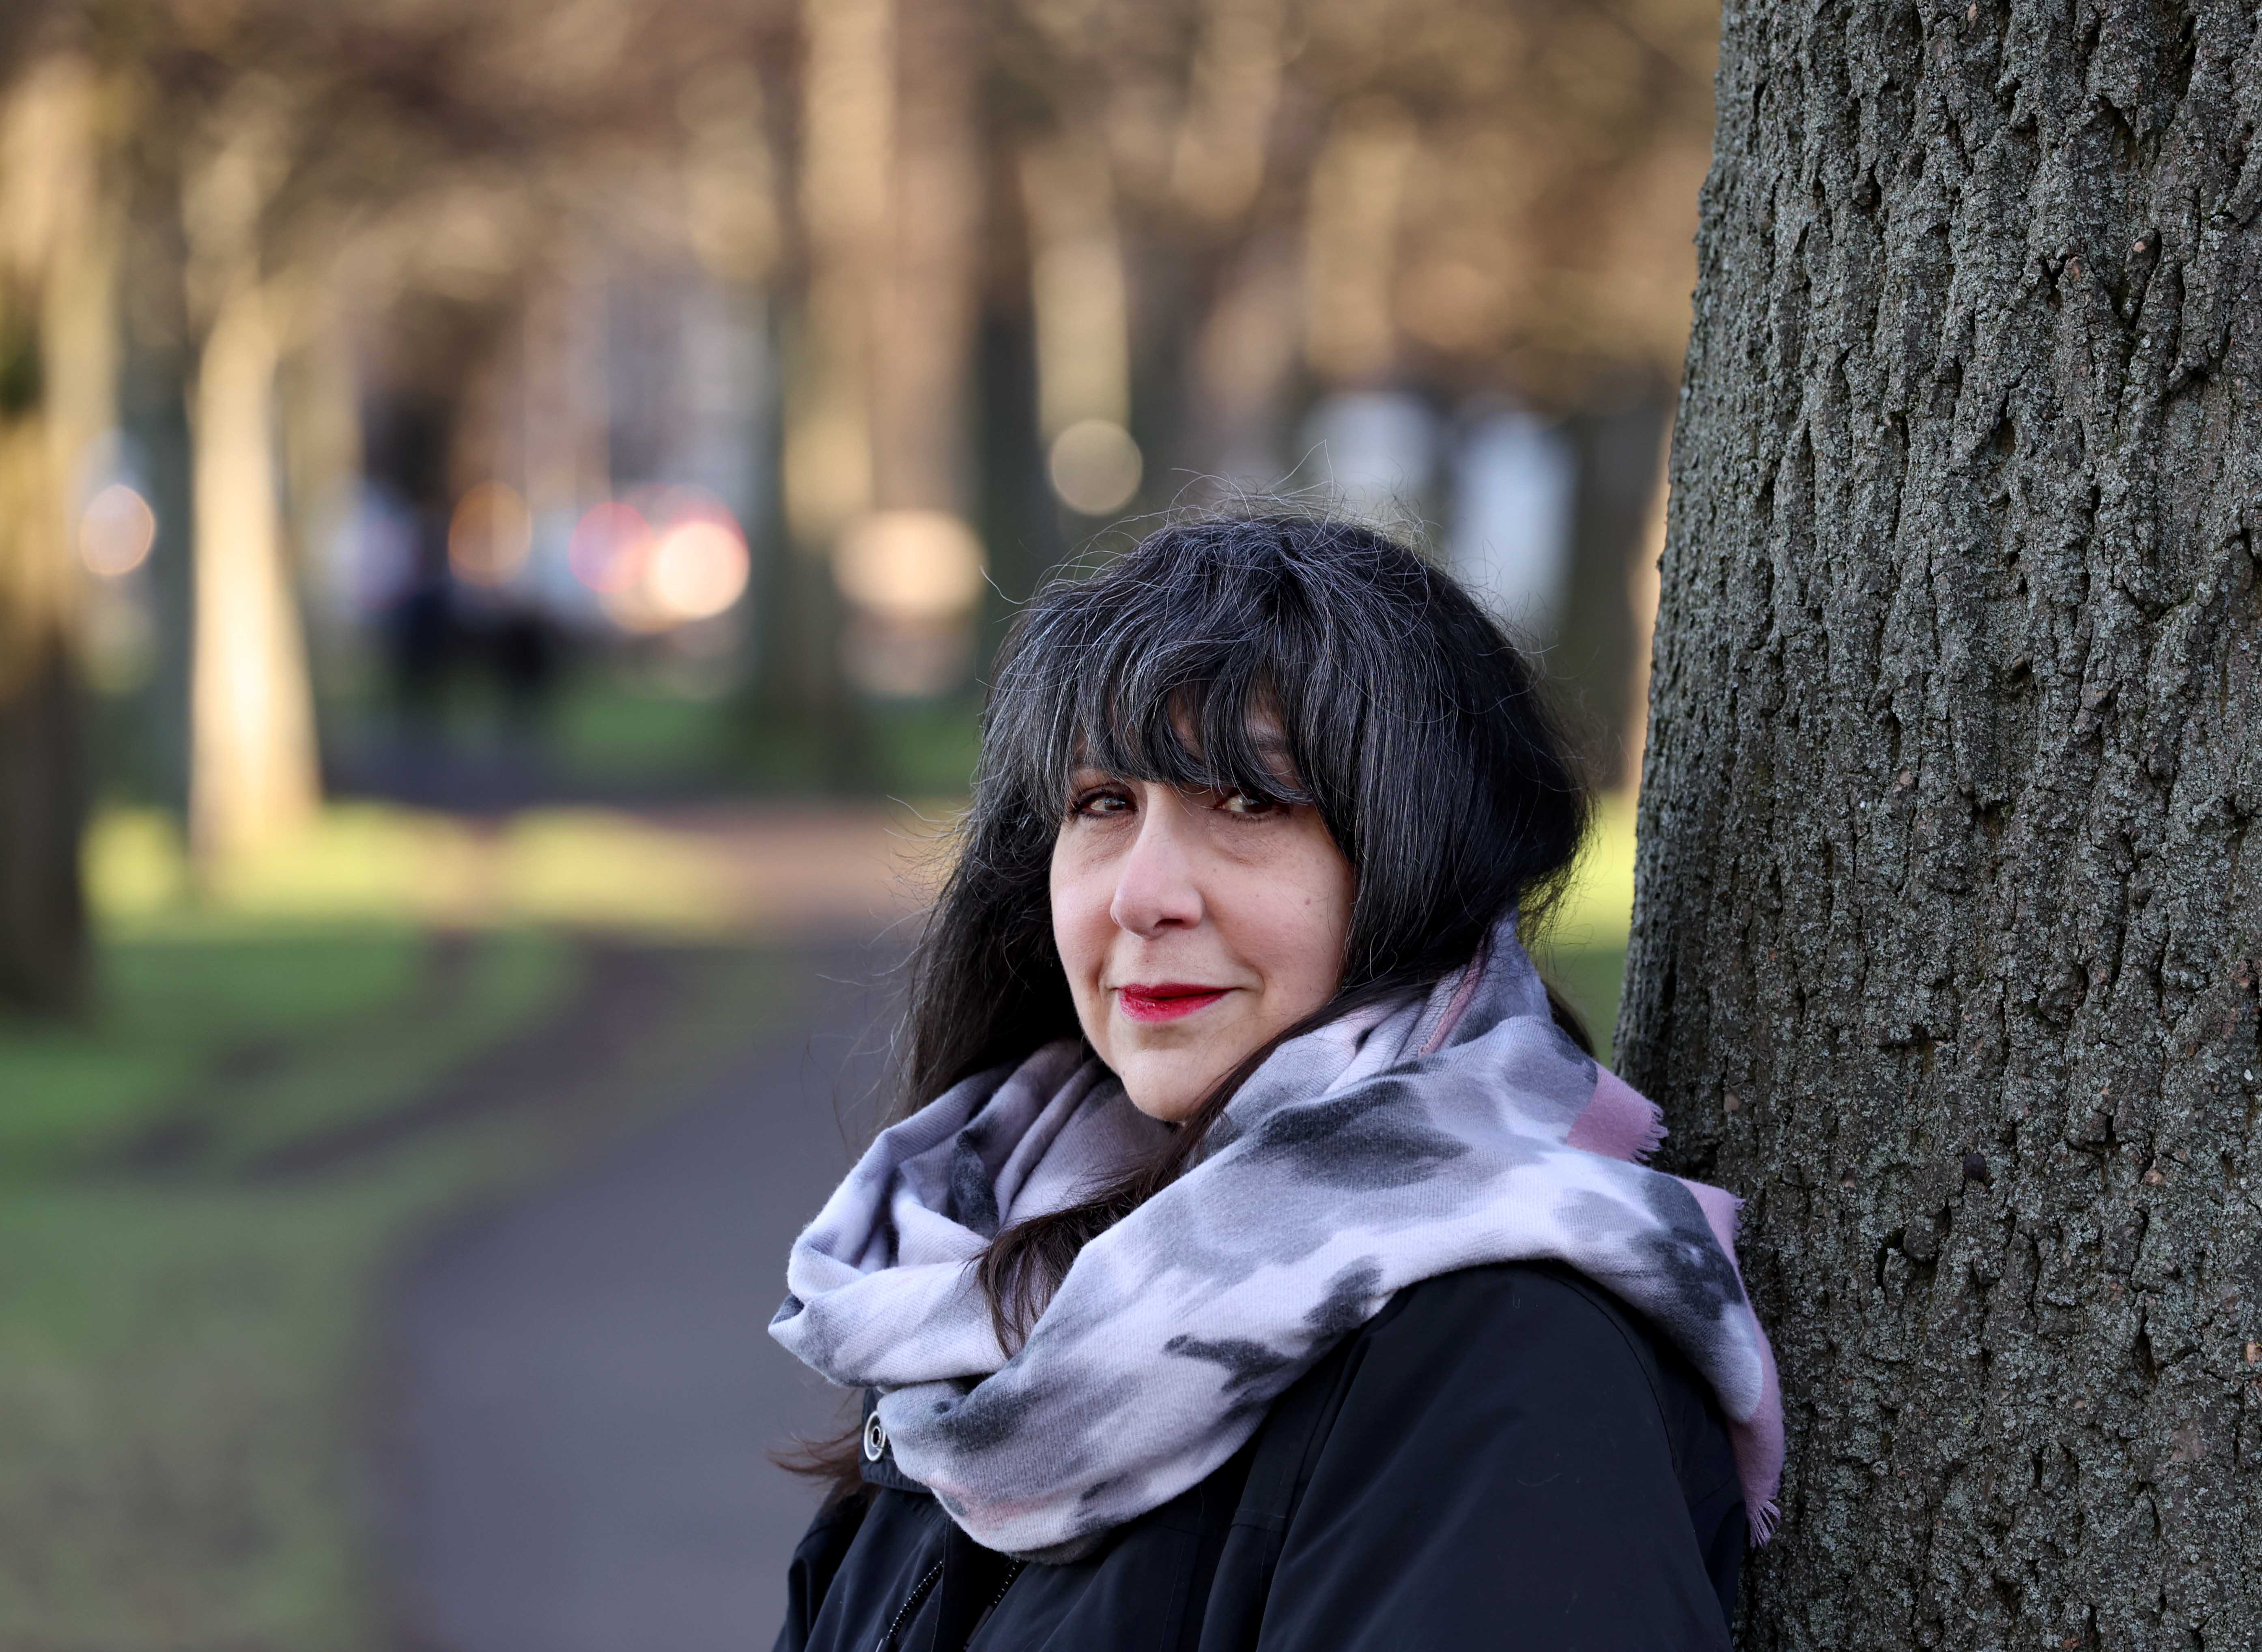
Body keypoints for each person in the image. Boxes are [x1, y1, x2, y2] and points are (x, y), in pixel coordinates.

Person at [769, 514, 1782, 1651]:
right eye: (1103, 803)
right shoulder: (970, 1276)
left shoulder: (1505, 1362)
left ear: (1420, 864)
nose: (1140, 895)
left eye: (1250, 802)